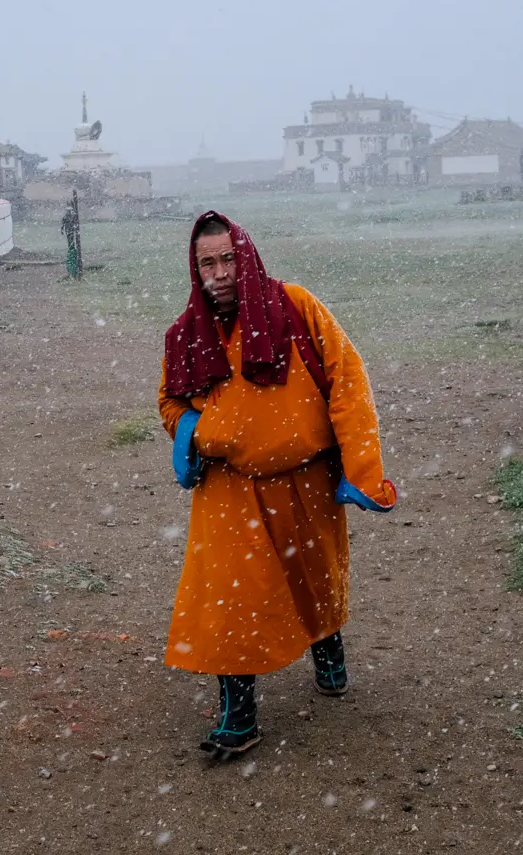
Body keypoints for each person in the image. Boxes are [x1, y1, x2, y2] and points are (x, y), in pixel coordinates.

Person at [157, 211, 397, 758]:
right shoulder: (187, 333)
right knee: (228, 598)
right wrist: (198, 429)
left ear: (246, 255)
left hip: (306, 479)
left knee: (314, 578)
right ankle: (238, 717)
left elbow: (347, 381)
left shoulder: (295, 306)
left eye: (227, 259)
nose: (219, 273)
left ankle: (328, 648)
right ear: (196, 271)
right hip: (228, 488)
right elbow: (169, 400)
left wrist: (362, 470)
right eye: (206, 264)